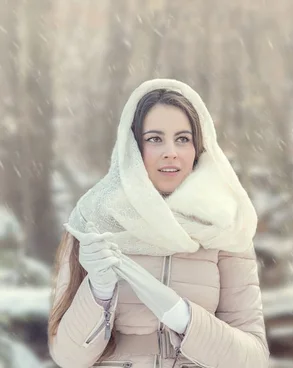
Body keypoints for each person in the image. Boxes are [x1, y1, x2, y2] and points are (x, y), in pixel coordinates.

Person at [47, 79, 270, 368]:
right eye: (154, 139)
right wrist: (99, 290)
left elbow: (252, 358)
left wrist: (185, 318)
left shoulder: (225, 228)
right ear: (134, 147)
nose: (171, 152)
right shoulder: (94, 222)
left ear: (199, 148)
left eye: (183, 139)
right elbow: (68, 357)